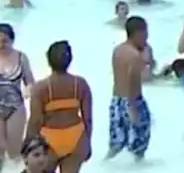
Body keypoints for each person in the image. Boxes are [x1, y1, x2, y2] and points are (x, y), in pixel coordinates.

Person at [25, 41, 92, 173]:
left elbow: (36, 120)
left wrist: (27, 144)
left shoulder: (41, 87)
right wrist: (88, 142)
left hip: (49, 140)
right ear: (70, 60)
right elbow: (88, 118)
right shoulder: (81, 84)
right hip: (76, 137)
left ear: (48, 60)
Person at [107, 17, 150, 160]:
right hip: (132, 101)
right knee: (139, 145)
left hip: (116, 101)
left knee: (116, 144)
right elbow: (133, 80)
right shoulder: (135, 55)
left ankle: (104, 166)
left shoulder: (118, 50)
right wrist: (132, 107)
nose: (147, 37)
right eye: (145, 34)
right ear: (137, 33)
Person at [0, 24, 34, 161]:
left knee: (15, 152)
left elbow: (30, 81)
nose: (1, 45)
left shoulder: (21, 57)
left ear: (12, 41)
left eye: (4, 41)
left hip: (16, 108)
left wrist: (29, 90)